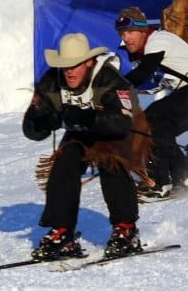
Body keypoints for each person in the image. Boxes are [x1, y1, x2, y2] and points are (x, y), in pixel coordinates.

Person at [22, 33, 151, 259]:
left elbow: (121, 124)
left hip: (123, 127)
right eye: (65, 66)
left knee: (111, 160)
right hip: (81, 131)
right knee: (65, 161)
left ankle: (125, 228)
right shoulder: (53, 80)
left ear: (89, 62)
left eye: (75, 65)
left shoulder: (110, 80)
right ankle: (63, 232)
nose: (69, 71)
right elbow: (30, 128)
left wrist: (88, 117)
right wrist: (44, 121)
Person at [115, 7, 188, 199]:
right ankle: (182, 178)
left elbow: (143, 73)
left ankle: (159, 183)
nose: (126, 38)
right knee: (158, 125)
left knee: (153, 122)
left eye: (130, 31)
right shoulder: (150, 43)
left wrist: (112, 88)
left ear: (143, 29)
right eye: (122, 33)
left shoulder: (157, 41)